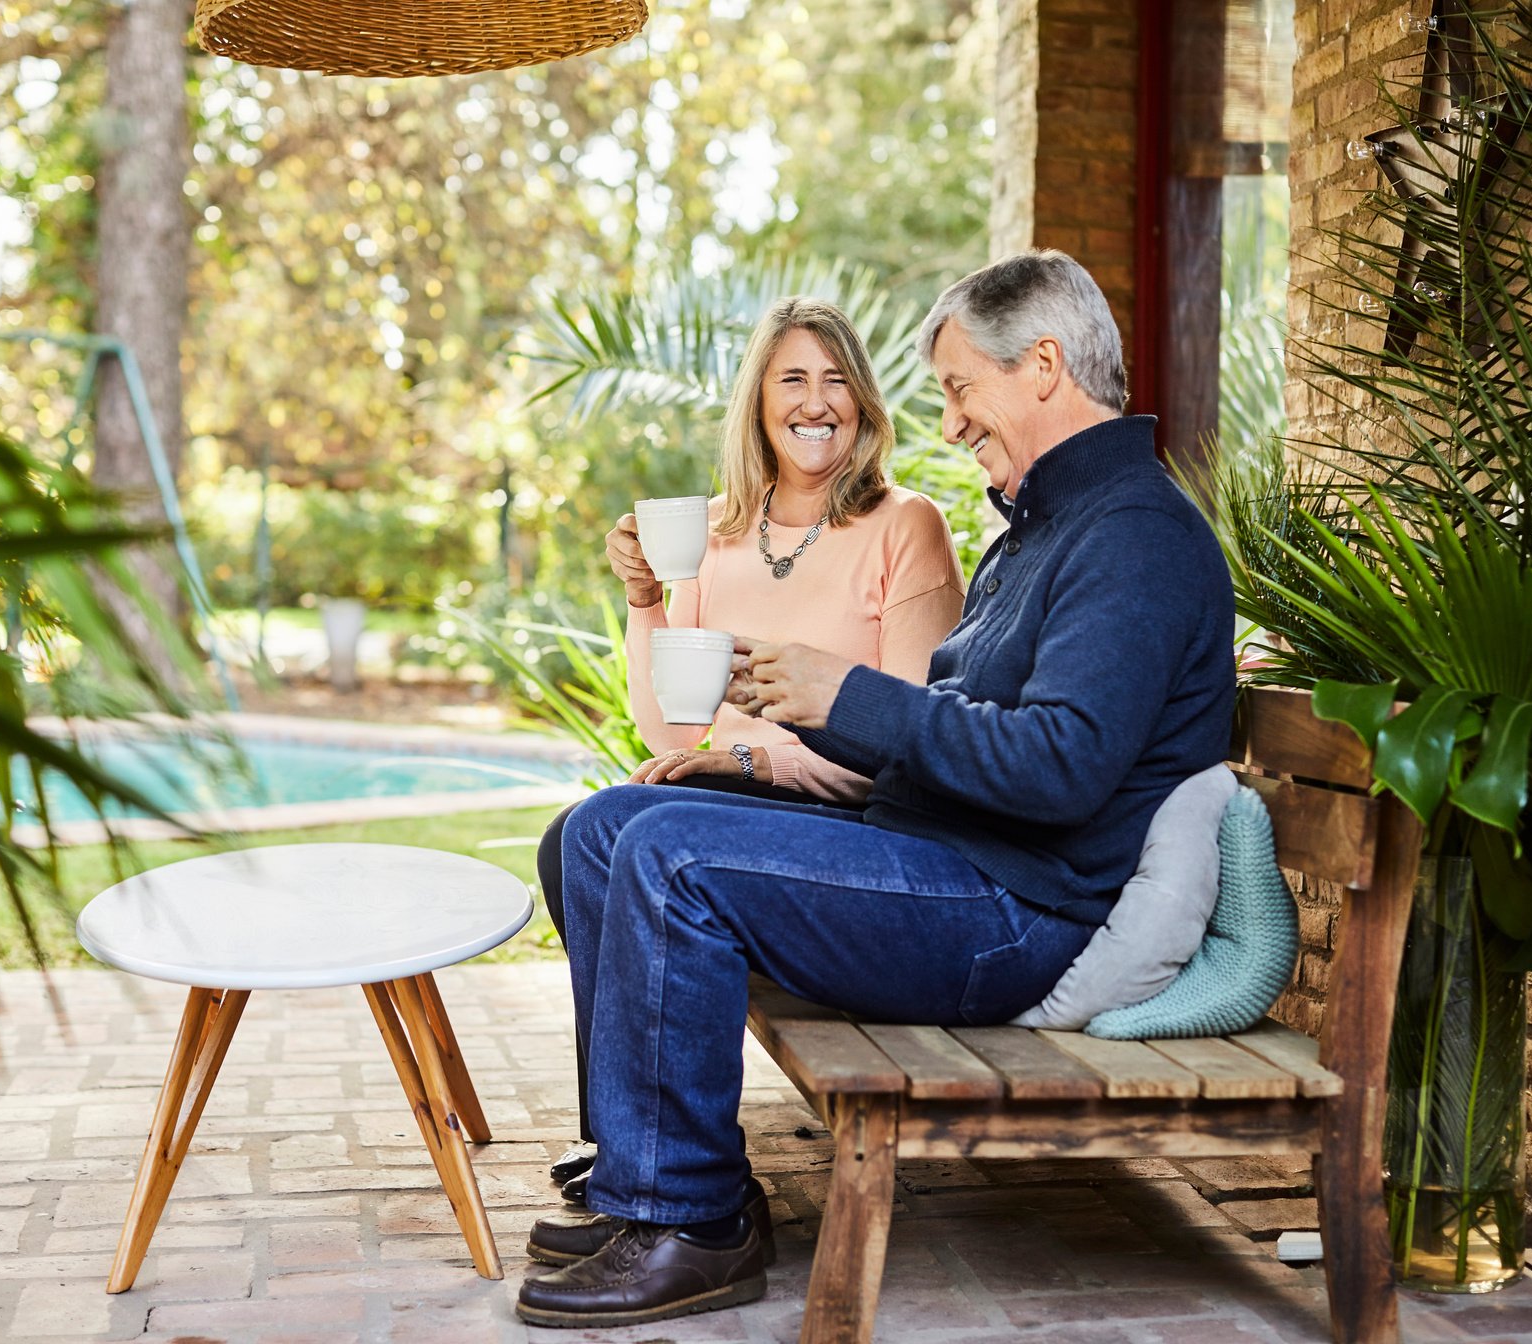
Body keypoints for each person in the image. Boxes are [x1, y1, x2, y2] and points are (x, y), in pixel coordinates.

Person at [515, 249, 1237, 1330]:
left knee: (671, 858)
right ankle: (650, 1170)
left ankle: (690, 1221)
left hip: (1019, 910)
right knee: (605, 829)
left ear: (1042, 366)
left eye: (960, 390)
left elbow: (1059, 768)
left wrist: (841, 693)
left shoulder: (1132, 537)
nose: (949, 423)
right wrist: (758, 762)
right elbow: (961, 739)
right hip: (942, 858)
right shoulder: (1044, 532)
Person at [532, 297, 966, 1196]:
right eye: (793, 381)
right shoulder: (714, 535)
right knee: (572, 836)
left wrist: (755, 760)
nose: (817, 403)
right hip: (727, 790)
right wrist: (645, 600)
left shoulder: (904, 526)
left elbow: (910, 738)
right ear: (759, 406)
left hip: (842, 812)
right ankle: (623, 1132)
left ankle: (651, 1147)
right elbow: (670, 732)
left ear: (865, 403)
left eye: (837, 381)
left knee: (608, 830)